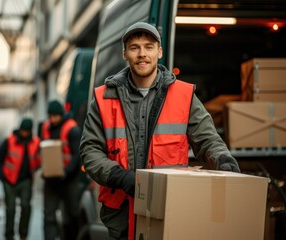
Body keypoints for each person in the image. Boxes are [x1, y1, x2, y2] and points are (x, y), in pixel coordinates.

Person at [79, 21, 241, 240]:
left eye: (149, 46)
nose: (142, 54)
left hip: (171, 209)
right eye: (135, 47)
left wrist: (223, 159)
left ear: (160, 51)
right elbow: (89, 150)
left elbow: (207, 139)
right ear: (125, 53)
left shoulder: (183, 96)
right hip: (122, 215)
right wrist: (118, 176)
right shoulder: (103, 98)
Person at [39, 100, 82, 240]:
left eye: (55, 116)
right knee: (49, 216)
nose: (53, 119)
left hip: (68, 179)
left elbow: (78, 155)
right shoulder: (45, 127)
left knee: (72, 214)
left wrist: (66, 171)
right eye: (50, 116)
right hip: (51, 179)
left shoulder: (72, 129)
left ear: (61, 115)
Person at [0, 118, 41, 240]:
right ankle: (9, 235)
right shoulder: (9, 141)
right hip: (9, 180)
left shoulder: (36, 142)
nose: (24, 133)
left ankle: (23, 234)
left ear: (30, 131)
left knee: (26, 206)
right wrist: (2, 177)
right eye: (23, 131)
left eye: (27, 131)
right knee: (10, 209)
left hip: (25, 180)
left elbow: (39, 159)